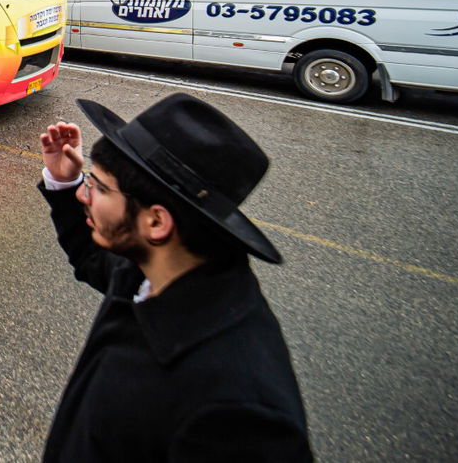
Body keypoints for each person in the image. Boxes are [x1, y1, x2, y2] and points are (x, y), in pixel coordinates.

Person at [35, 94, 312, 461]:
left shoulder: (238, 410)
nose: (85, 196)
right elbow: (92, 259)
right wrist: (65, 182)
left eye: (99, 187)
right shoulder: (153, 271)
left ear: (156, 221)